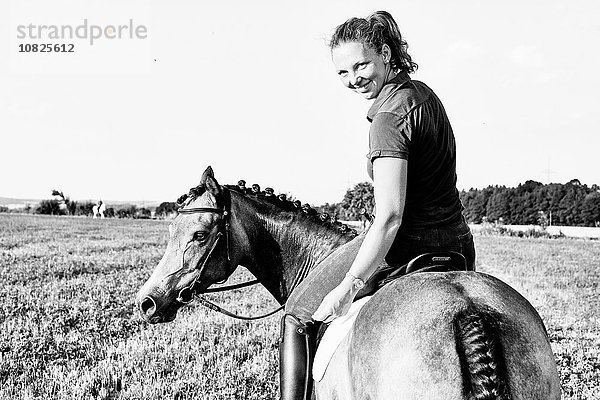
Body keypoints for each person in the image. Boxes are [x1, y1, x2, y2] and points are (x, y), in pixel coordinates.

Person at [278, 11, 476, 400]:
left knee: (297, 313)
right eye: (342, 72)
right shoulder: (423, 95)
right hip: (457, 244)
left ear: (385, 53)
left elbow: (389, 216)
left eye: (361, 64)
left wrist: (348, 287)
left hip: (407, 246)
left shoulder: (386, 120)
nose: (353, 79)